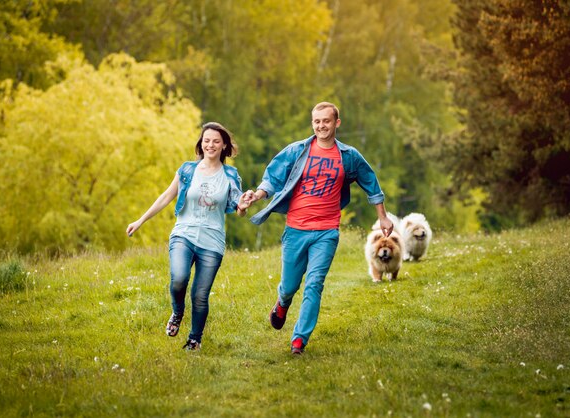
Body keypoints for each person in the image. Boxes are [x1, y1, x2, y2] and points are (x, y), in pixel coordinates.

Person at [245, 102, 393, 354]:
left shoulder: (348, 156)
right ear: (312, 123)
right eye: (317, 121)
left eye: (326, 121)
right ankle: (282, 302)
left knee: (314, 284)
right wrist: (257, 195)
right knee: (290, 285)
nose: (321, 126)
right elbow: (273, 177)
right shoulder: (298, 151)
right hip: (296, 229)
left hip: (327, 231)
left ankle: (299, 340)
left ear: (337, 123)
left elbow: (370, 181)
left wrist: (383, 216)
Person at [126, 122, 253, 351]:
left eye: (216, 141)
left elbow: (238, 208)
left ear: (224, 145)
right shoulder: (187, 170)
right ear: (200, 143)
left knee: (200, 295)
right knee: (179, 279)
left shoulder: (230, 175)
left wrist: (243, 205)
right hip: (183, 234)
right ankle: (177, 312)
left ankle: (195, 340)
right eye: (206, 140)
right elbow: (166, 196)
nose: (210, 145)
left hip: (212, 242)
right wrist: (140, 220)